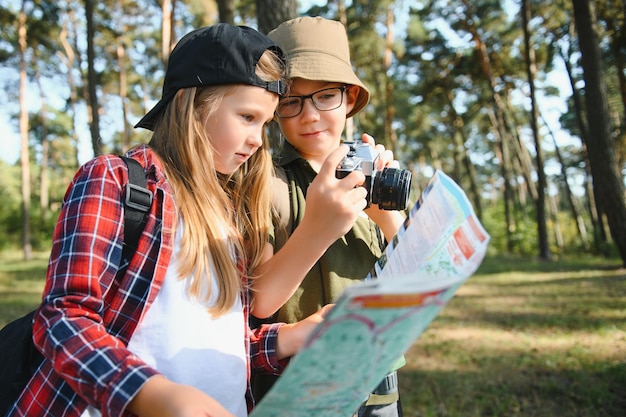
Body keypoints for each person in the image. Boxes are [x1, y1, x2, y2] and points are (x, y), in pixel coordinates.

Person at [7, 23, 329, 417]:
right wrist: (149, 393)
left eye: (265, 124)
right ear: (193, 106)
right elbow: (63, 319)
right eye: (247, 116)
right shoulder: (117, 181)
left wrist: (291, 337)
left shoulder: (229, 214)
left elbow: (210, 342)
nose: (259, 139)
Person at [250, 16, 406, 417]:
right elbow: (261, 300)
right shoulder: (265, 184)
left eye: (325, 96)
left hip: (377, 385)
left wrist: (384, 209)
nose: (310, 115)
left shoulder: (375, 175)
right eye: (291, 101)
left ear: (350, 97)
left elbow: (418, 278)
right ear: (273, 108)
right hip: (297, 389)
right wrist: (319, 226)